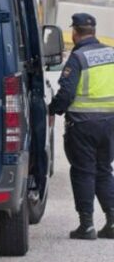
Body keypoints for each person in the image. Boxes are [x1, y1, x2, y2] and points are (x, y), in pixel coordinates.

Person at [48, 13, 114, 240]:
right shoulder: (111, 54)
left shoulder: (78, 58)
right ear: (93, 32)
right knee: (104, 170)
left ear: (74, 33)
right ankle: (112, 222)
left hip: (83, 125)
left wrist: (52, 109)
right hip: (110, 124)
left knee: (84, 172)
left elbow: (66, 93)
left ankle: (86, 225)